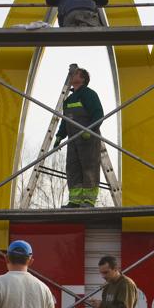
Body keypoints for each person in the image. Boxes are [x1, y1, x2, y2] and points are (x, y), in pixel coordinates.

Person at [54, 67, 104, 208]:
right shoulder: (69, 100)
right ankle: (75, 201)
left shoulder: (89, 94)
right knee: (73, 168)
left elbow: (98, 113)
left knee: (89, 167)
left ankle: (88, 201)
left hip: (88, 138)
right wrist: (59, 136)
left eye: (75, 73)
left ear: (82, 78)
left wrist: (91, 129)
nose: (72, 75)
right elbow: (65, 120)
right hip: (73, 140)